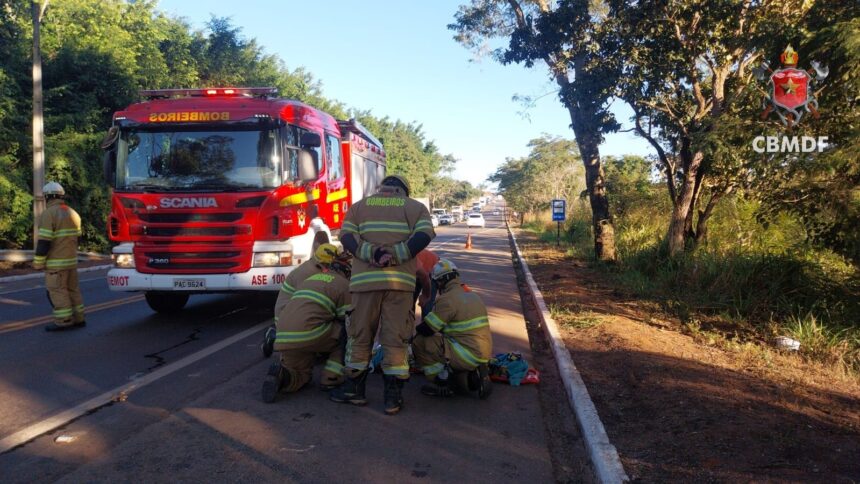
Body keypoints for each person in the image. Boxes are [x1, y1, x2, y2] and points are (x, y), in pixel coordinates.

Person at [330, 174, 435, 415]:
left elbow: (346, 237)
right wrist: (396, 255)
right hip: (400, 284)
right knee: (395, 338)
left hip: (364, 285)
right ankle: (392, 398)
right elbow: (424, 235)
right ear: (404, 191)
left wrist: (372, 254)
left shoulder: (359, 207)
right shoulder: (415, 208)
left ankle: (354, 390)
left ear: (382, 188)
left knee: (359, 336)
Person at [262, 246, 352, 402]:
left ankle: (283, 377)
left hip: (284, 333)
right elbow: (348, 319)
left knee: (301, 374)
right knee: (348, 334)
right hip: (308, 332)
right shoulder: (343, 285)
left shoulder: (310, 279)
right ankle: (331, 378)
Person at [413, 258, 493, 399]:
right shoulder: (473, 296)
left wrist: (409, 338)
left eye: (437, 282)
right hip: (483, 351)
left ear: (441, 281)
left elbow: (427, 329)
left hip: (465, 353)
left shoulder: (447, 299)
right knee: (442, 339)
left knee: (420, 341)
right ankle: (473, 371)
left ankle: (442, 382)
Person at [261, 242, 336, 357]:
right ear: (324, 263)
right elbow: (314, 304)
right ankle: (276, 337)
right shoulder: (308, 274)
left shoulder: (312, 268)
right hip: (288, 317)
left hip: (290, 314)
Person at [33, 182, 85, 332]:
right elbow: (78, 238)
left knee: (58, 291)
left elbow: (44, 241)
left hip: (56, 264)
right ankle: (79, 318)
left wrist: (38, 262)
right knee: (73, 290)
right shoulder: (73, 213)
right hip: (71, 262)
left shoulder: (49, 214)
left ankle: (64, 320)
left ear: (48, 197)